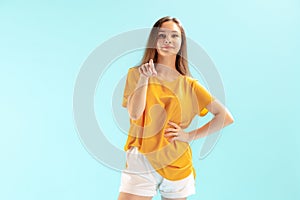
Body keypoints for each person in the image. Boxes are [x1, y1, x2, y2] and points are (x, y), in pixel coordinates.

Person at [118, 16, 234, 200]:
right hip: (142, 160)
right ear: (153, 41)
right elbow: (134, 114)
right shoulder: (136, 75)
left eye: (174, 36)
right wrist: (144, 79)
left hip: (177, 162)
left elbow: (225, 116)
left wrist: (188, 136)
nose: (168, 41)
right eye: (162, 35)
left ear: (181, 42)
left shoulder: (189, 85)